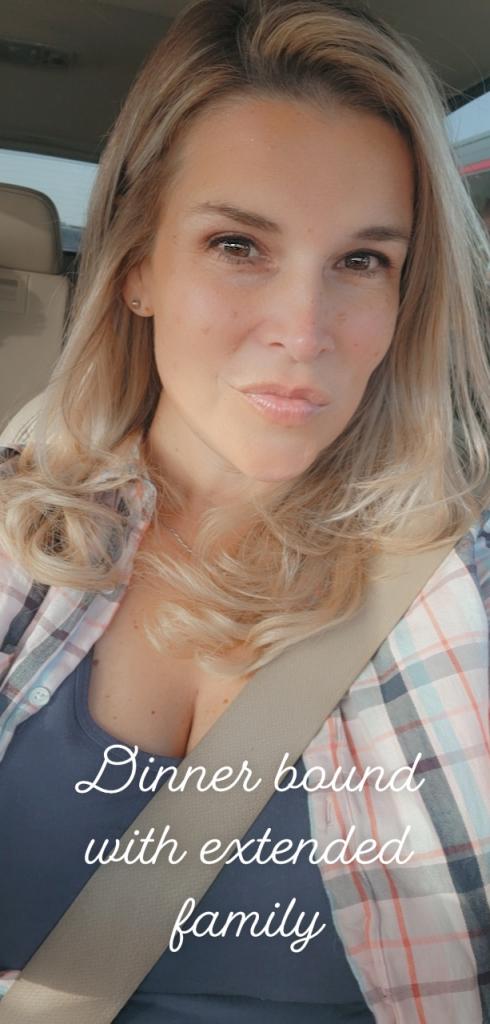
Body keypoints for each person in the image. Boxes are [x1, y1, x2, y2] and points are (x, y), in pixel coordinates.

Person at [0, 0, 489, 1021]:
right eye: (237, 244)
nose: (303, 330)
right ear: (136, 265)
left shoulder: (465, 583)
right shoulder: (12, 533)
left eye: (361, 261)